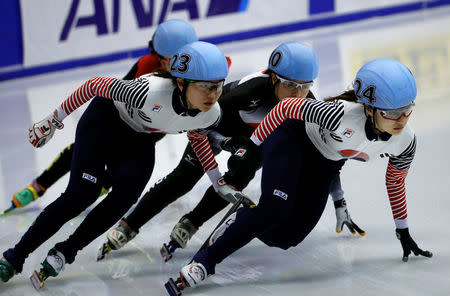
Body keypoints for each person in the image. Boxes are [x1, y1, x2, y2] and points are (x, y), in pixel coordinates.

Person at [166, 58, 433, 294]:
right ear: (369, 108)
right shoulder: (339, 115)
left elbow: (396, 181)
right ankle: (204, 262)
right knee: (275, 209)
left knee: (285, 238)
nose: (402, 119)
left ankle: (244, 217)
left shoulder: (405, 142)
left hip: (325, 164)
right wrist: (253, 145)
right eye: (393, 112)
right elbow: (285, 108)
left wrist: (402, 231)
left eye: (408, 109)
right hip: (291, 137)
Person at [98, 41, 364, 262]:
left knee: (237, 180)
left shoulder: (306, 105)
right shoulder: (250, 91)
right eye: (290, 85)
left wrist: (339, 200)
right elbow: (198, 124)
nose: (298, 93)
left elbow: (327, 155)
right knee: (183, 179)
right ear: (272, 78)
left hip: (249, 142)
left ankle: (193, 222)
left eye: (305, 86)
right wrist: (226, 143)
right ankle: (129, 224)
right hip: (210, 129)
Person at [0, 41, 229, 286]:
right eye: (205, 86)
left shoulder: (211, 112)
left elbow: (197, 135)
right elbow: (93, 85)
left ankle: (67, 250)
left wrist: (218, 181)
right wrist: (52, 121)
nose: (212, 94)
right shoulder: (148, 91)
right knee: (82, 194)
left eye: (218, 86)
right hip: (105, 120)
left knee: (127, 195)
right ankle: (15, 257)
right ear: (181, 83)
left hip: (138, 137)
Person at [3, 19, 198, 215]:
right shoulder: (146, 64)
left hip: (151, 129)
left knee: (126, 158)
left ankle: (105, 182)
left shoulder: (197, 72)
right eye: (165, 59)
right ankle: (39, 185)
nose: (171, 67)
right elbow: (114, 96)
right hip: (126, 118)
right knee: (83, 147)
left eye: (176, 61)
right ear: (157, 55)